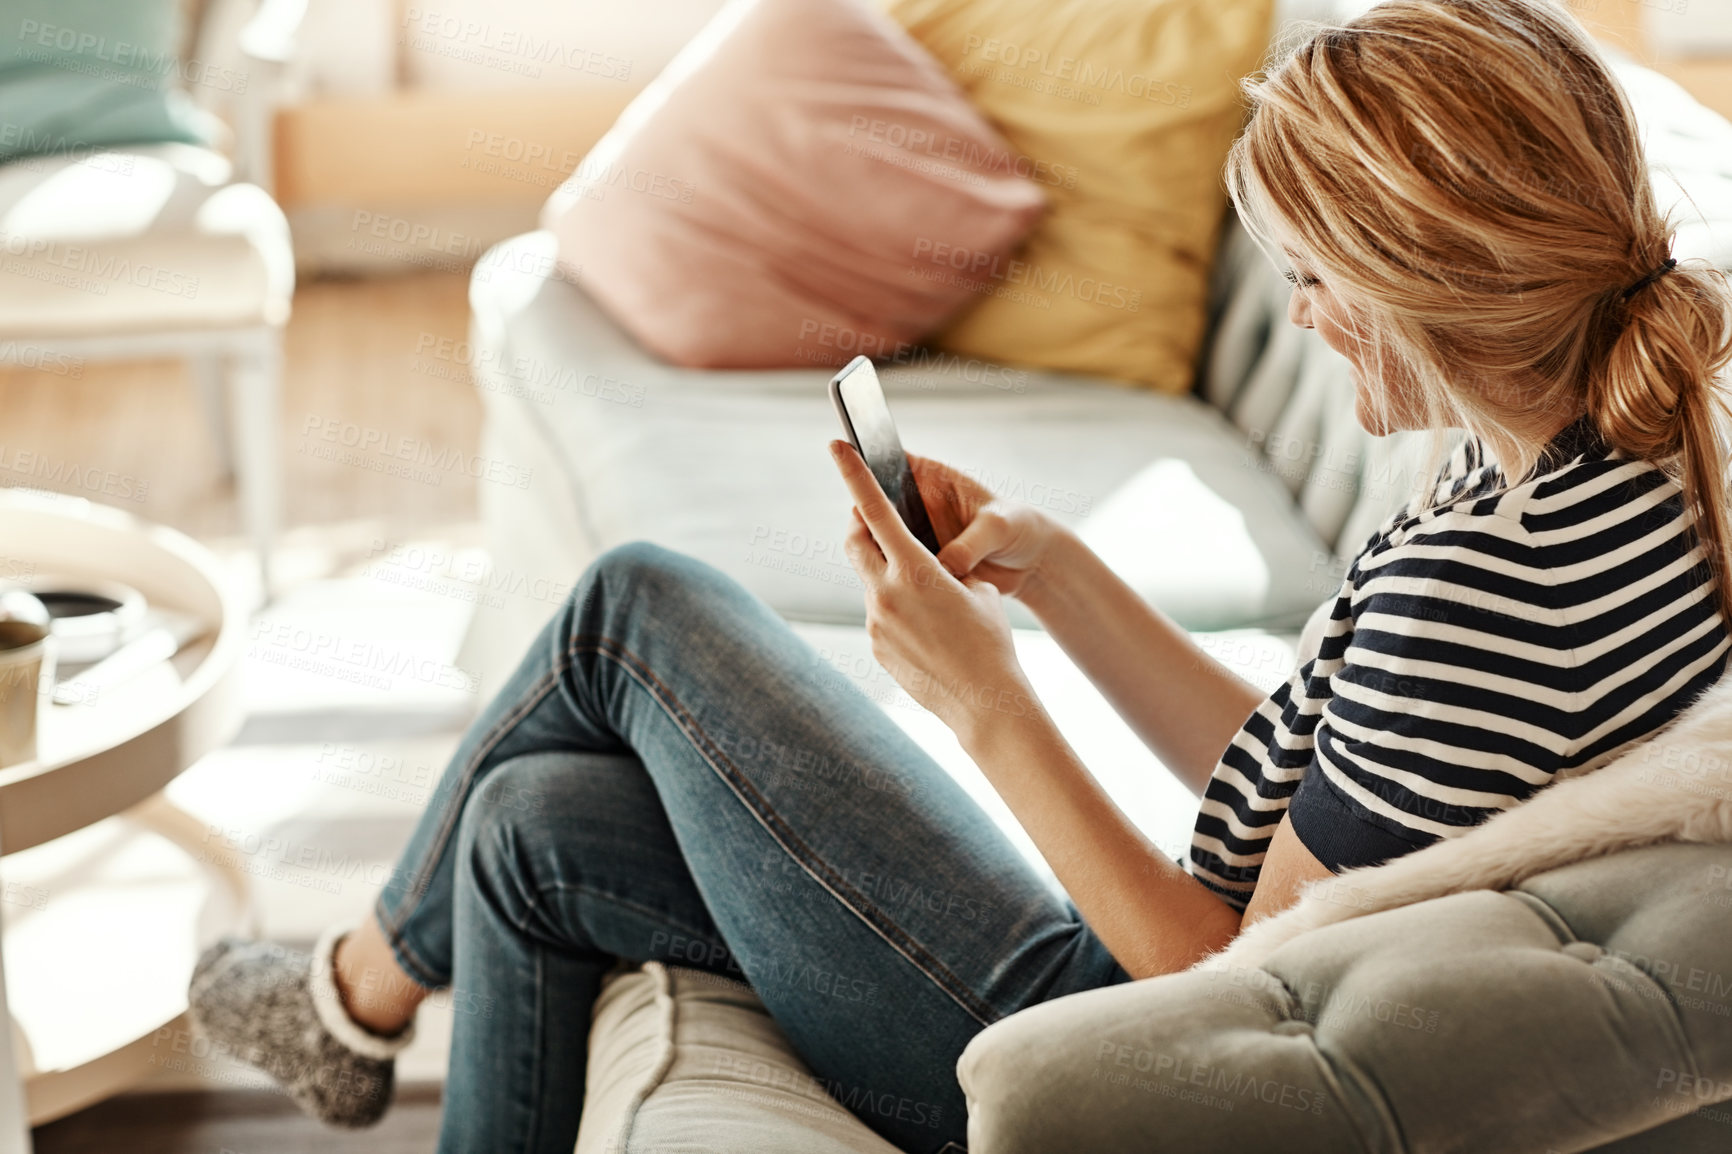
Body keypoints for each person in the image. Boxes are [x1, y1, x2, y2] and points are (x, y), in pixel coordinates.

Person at [188, 2, 1732, 1150]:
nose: (1308, 316)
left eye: (1318, 279)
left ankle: (350, 991)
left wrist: (987, 699)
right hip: (1145, 983)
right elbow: (1324, 786)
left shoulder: (1487, 585)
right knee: (532, 826)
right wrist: (1053, 573)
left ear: (1428, 276)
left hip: (1096, 1041)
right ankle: (356, 992)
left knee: (636, 609)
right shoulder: (1604, 447)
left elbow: (1228, 972)